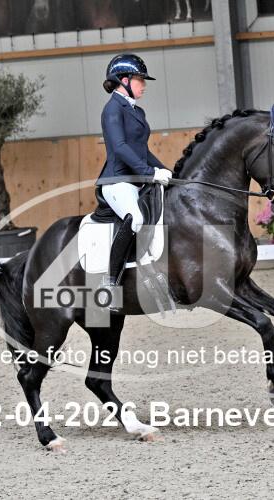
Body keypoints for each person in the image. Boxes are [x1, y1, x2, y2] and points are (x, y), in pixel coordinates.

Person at [96, 53, 174, 312]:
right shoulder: (112, 109)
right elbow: (119, 148)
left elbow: (142, 150)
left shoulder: (136, 110)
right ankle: (109, 284)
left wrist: (165, 171)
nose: (144, 85)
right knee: (136, 219)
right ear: (124, 80)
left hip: (137, 178)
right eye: (140, 80)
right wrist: (149, 173)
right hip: (117, 180)